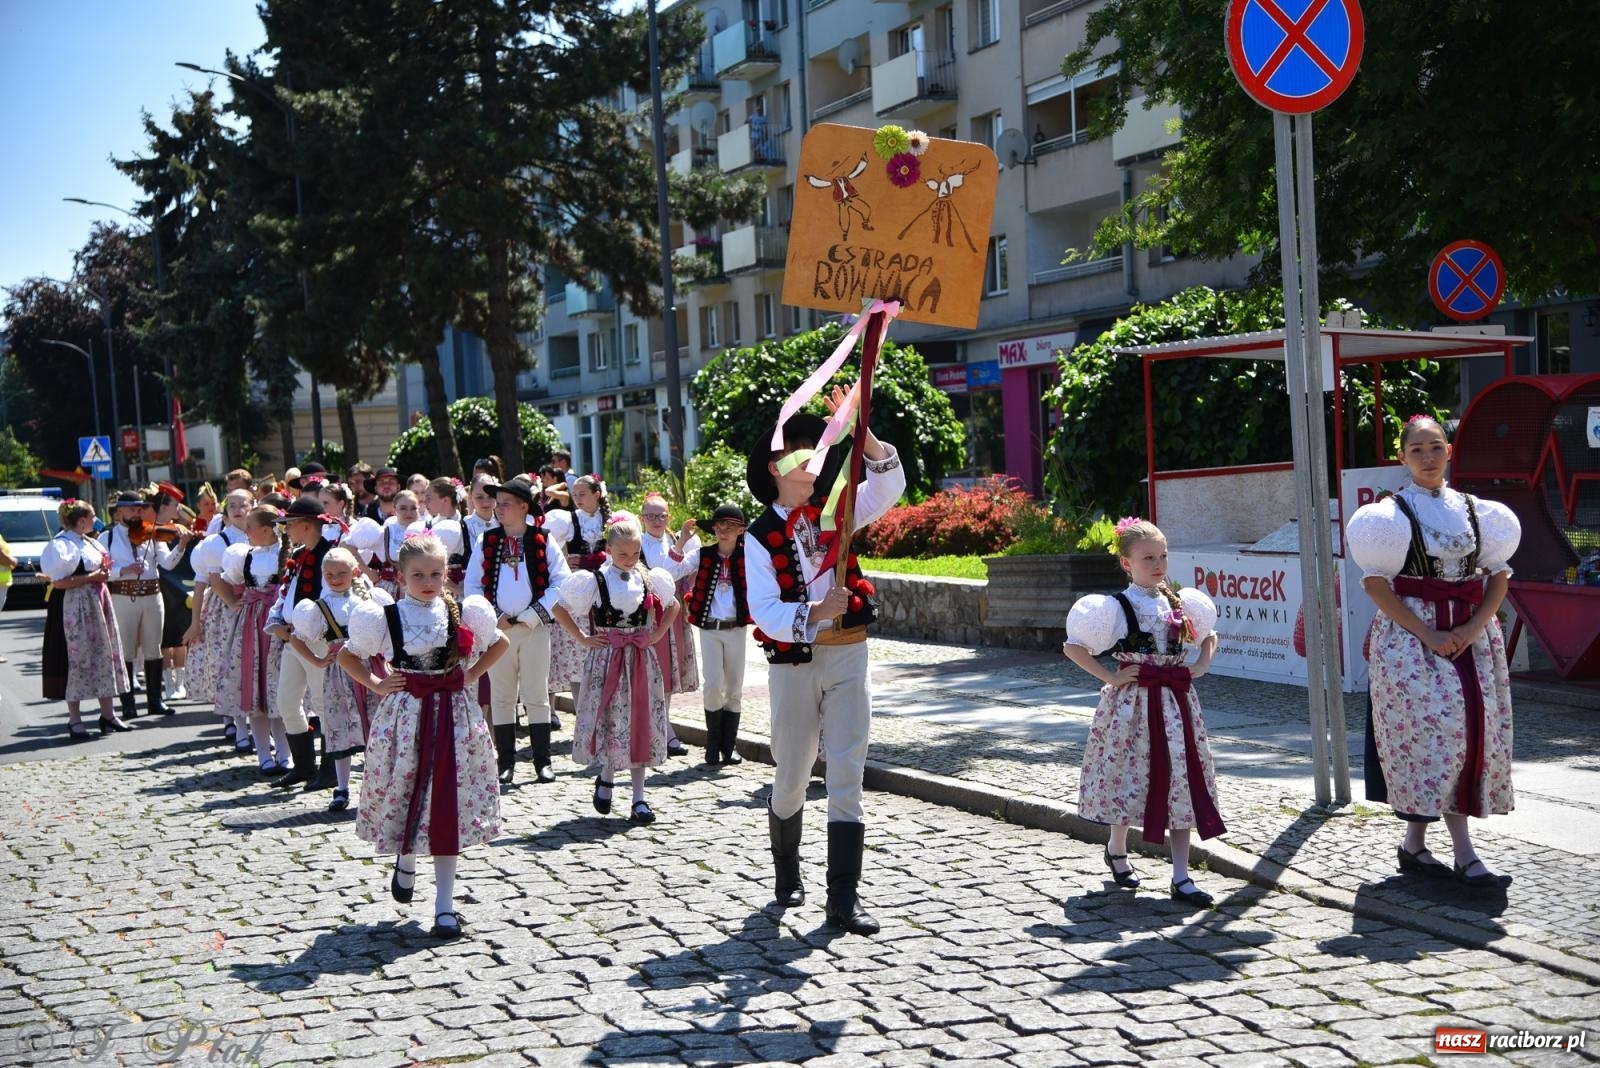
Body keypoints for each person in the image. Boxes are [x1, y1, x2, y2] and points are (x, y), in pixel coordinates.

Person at [745, 396, 905, 935]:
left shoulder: (836, 507)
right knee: (791, 773)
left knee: (846, 768)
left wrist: (865, 428)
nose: (813, 459)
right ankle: (787, 871)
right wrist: (815, 611)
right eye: (799, 453)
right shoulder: (756, 535)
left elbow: (886, 486)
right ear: (775, 467)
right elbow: (765, 611)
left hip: (848, 654)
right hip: (794, 665)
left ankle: (843, 898)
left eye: (816, 450)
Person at [1346, 414, 1521, 890]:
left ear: (1449, 452)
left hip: (1470, 639)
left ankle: (1415, 845)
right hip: (1410, 642)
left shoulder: (1478, 511)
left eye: (1436, 447)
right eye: (1417, 449)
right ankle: (1464, 855)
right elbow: (1377, 586)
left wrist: (1472, 627)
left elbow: (1498, 577)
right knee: (1435, 741)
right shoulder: (1388, 516)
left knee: (1465, 737)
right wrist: (1427, 633)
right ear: (1401, 458)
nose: (1428, 457)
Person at [337, 532, 508, 939]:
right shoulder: (386, 617)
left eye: (435, 573)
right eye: (418, 575)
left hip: (454, 715)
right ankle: (406, 856)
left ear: (446, 573)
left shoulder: (461, 613)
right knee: (408, 788)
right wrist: (377, 683)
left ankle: (444, 906)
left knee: (447, 799)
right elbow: (346, 654)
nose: (427, 582)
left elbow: (499, 641)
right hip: (406, 718)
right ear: (400, 576)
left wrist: (471, 673)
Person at [1063, 517, 1224, 907]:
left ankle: (1181, 876)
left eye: (1163, 556)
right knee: (1131, 774)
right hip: (1132, 706)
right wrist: (1111, 677)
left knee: (1181, 778)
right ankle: (1117, 847)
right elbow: (1073, 647)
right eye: (1148, 557)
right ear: (1126, 563)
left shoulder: (1179, 603)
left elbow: (1210, 636)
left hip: (1176, 703)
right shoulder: (1115, 608)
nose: (1158, 564)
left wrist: (1201, 663)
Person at [554, 515, 679, 824]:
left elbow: (674, 605)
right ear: (609, 549)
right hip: (607, 659)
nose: (630, 559)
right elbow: (558, 607)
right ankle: (607, 777)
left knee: (640, 721)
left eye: (635, 553)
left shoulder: (648, 577)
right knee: (612, 719)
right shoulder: (594, 580)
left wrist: (657, 634)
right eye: (623, 553)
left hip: (640, 658)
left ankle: (639, 798)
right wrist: (582, 637)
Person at [463, 474, 571, 786]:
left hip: (535, 629)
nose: (498, 509)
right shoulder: (487, 541)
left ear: (524, 507)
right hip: (498, 634)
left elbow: (561, 582)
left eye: (506, 504)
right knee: (502, 696)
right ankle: (506, 763)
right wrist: (493, 616)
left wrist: (532, 614)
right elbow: (472, 585)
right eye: (497, 504)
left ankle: (542, 762)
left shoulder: (543, 539)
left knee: (537, 694)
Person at [290, 548, 392, 812]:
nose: (335, 579)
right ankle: (342, 787)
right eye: (330, 574)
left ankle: (378, 784)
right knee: (340, 728)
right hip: (339, 673)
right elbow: (295, 637)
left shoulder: (369, 599)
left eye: (342, 573)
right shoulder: (319, 607)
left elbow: (390, 628)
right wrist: (316, 660)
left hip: (371, 666)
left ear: (354, 572)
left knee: (376, 723)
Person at [264, 497, 343, 790]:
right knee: (287, 701)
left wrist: (299, 628)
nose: (286, 530)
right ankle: (304, 766)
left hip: (317, 640)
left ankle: (331, 768)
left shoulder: (328, 556)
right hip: (293, 640)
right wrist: (278, 622)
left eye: (290, 524)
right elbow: (286, 594)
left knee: (323, 704)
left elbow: (328, 600)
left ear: (307, 525)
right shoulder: (299, 554)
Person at [40, 500, 129, 738]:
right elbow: (58, 582)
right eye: (91, 517)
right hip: (74, 607)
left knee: (104, 654)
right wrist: (92, 577)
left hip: (97, 604)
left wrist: (102, 576)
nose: (95, 521)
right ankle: (75, 720)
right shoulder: (62, 546)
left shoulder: (88, 541)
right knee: (76, 658)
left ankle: (108, 715)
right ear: (81, 521)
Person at [216, 506, 294, 775]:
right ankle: (263, 753)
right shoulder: (243, 556)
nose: (246, 531)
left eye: (250, 526)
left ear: (266, 528)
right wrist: (236, 602)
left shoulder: (288, 555)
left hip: (278, 627)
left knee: (279, 689)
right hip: (251, 626)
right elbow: (221, 580)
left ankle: (285, 751)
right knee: (255, 690)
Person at [105, 488, 189, 719]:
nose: (137, 513)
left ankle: (155, 701)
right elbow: (101, 570)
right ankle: (128, 704)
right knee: (127, 650)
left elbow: (168, 564)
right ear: (120, 511)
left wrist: (181, 547)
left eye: (140, 509)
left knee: (154, 648)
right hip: (123, 595)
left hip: (153, 595)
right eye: (132, 509)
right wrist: (123, 570)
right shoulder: (108, 537)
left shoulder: (152, 534)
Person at [683, 504, 752, 766]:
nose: (724, 531)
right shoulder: (703, 555)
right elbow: (671, 568)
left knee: (734, 687)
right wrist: (681, 542)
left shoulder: (748, 557)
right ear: (713, 528)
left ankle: (729, 746)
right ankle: (712, 744)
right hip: (710, 629)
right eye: (720, 526)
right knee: (713, 685)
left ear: (740, 531)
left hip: (736, 628)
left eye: (731, 527)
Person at [187, 489, 252, 749]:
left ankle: (257, 724)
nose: (237, 509)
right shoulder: (218, 542)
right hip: (228, 608)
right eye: (232, 505)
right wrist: (197, 621)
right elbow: (209, 581)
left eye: (242, 505)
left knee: (253, 664)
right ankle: (236, 724)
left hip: (255, 603)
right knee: (231, 663)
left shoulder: (261, 535)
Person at [638, 493, 699, 758]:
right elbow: (661, 574)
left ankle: (664, 726)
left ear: (668, 516)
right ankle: (658, 728)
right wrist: (682, 543)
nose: (656, 520)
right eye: (650, 515)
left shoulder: (676, 540)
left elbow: (680, 573)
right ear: (642, 518)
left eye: (661, 515)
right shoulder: (636, 543)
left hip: (673, 613)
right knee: (652, 671)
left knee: (669, 672)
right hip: (648, 615)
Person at [154, 484, 196, 704]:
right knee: (162, 641)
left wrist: (183, 542)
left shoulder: (178, 529)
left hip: (178, 589)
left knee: (180, 639)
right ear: (163, 506)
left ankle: (180, 682)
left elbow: (173, 563)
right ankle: (167, 683)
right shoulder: (150, 529)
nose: (178, 509)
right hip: (157, 589)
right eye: (175, 505)